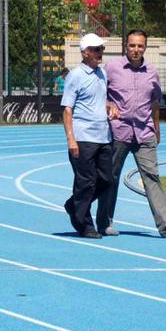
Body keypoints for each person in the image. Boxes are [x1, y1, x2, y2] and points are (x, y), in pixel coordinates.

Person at [99, 29, 166, 238]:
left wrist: (156, 127)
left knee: (152, 176)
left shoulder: (151, 72)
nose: (136, 49)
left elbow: (155, 102)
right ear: (126, 46)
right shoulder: (112, 68)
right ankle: (104, 222)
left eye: (140, 46)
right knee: (110, 177)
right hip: (118, 131)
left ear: (145, 47)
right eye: (132, 45)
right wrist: (108, 104)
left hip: (144, 132)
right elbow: (99, 94)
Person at [61, 33, 113, 239]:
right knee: (86, 182)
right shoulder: (75, 76)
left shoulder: (102, 74)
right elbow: (67, 109)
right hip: (83, 137)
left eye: (102, 49)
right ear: (85, 53)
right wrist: (71, 139)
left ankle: (74, 204)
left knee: (107, 180)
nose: (100, 52)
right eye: (96, 49)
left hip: (103, 136)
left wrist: (110, 106)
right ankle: (84, 225)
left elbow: (99, 99)